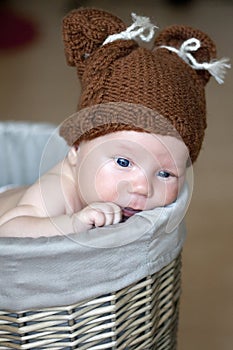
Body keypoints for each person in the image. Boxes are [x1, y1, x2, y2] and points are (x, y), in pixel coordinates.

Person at [0, 8, 230, 237]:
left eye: (165, 174)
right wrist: (73, 223)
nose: (142, 187)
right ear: (76, 149)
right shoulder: (58, 189)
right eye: (123, 162)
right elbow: (9, 230)